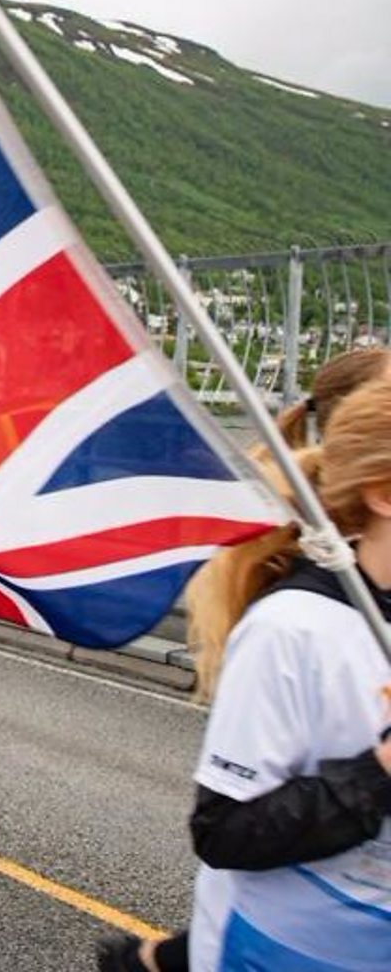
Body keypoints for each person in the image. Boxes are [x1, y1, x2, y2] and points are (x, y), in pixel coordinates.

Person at [173, 379, 391, 969]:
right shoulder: (293, 629)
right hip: (280, 952)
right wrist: (378, 773)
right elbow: (225, 831)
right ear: (382, 493)